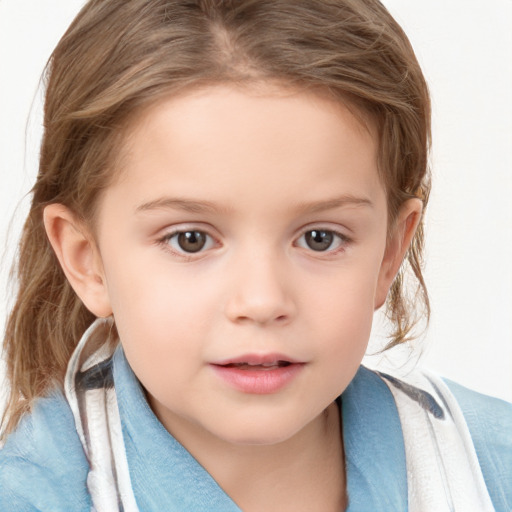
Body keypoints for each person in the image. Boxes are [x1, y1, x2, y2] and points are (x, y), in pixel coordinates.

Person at [0, 0, 510, 510]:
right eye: (190, 239)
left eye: (319, 238)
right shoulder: (30, 496)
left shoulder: (492, 468)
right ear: (86, 259)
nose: (262, 301)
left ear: (388, 253)